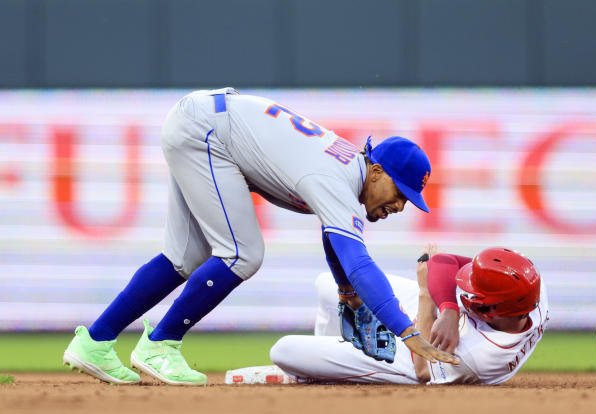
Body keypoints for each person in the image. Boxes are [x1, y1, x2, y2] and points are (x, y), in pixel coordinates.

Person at [62, 88, 458, 386]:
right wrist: (405, 330)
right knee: (241, 254)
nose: (401, 206)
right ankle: (161, 344)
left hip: (202, 122)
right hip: (209, 132)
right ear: (377, 173)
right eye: (401, 193)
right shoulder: (336, 179)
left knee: (185, 256)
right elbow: (358, 262)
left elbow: (334, 240)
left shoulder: (346, 173)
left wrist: (345, 292)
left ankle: (95, 342)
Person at [262, 244, 549, 385]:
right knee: (330, 282)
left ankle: (317, 368)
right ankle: (322, 365)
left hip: (413, 359)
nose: (465, 289)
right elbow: (443, 261)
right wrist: (448, 310)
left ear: (494, 310)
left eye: (474, 293)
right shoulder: (529, 286)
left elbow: (424, 370)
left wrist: (427, 295)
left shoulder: (479, 357)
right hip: (440, 319)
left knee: (283, 350)